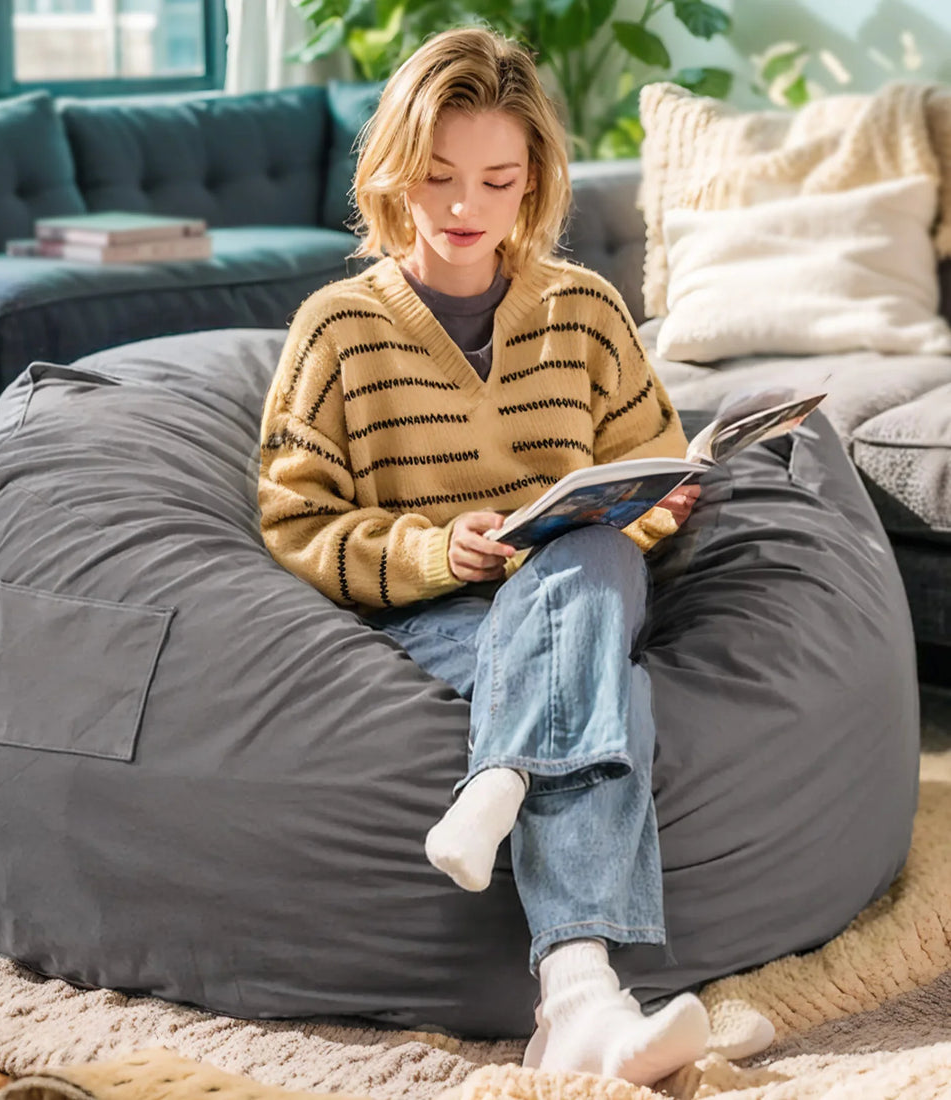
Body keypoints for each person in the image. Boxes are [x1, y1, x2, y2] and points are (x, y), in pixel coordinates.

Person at [258, 26, 716, 1087]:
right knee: (614, 701)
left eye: (496, 179)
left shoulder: (585, 310)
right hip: (444, 612)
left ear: (533, 184)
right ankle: (579, 998)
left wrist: (658, 502)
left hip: (584, 587)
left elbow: (641, 477)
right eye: (436, 176)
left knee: (594, 562)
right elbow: (296, 522)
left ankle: (504, 770)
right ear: (392, 175)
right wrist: (430, 549)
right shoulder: (335, 330)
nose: (463, 206)